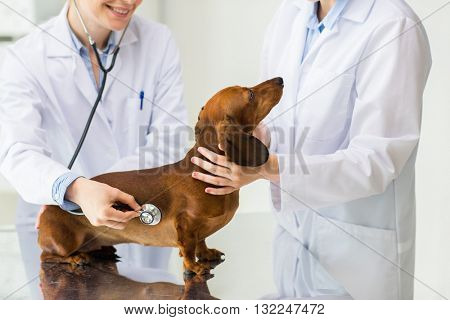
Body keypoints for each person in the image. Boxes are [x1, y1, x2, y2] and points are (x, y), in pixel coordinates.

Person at [191, 0, 432, 299]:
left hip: (357, 259)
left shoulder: (394, 26)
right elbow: (282, 118)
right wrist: (251, 142)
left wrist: (266, 168)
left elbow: (377, 162)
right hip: (291, 243)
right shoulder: (289, 13)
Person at [0, 0, 188, 295]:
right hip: (60, 218)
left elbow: (171, 139)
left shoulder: (158, 40)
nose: (129, 2)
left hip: (140, 213)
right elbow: (17, 151)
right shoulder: (24, 57)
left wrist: (100, 187)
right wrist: (73, 190)